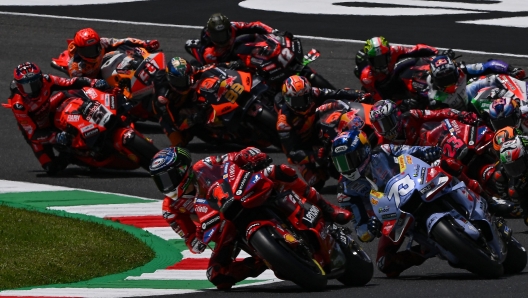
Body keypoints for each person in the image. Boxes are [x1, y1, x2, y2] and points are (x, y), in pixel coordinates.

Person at [149, 146, 351, 289]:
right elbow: (190, 240)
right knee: (217, 275)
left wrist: (249, 154)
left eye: (168, 178)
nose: (166, 186)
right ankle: (264, 260)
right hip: (222, 226)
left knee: (278, 171)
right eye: (160, 181)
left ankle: (327, 207)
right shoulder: (171, 209)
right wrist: (199, 240)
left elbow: (233, 158)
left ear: (183, 169)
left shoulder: (204, 165)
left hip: (240, 194)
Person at [330, 129, 441, 277]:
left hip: (417, 187)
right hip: (392, 218)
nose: (346, 167)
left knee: (448, 163)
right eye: (340, 163)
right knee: (385, 263)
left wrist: (429, 152)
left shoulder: (383, 151)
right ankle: (423, 250)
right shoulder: (345, 190)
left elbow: (411, 150)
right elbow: (361, 231)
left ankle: (475, 191)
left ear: (363, 151)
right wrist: (371, 228)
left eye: (349, 159)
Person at [4, 62, 111, 175]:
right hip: (38, 130)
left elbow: (71, 82)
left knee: (70, 92)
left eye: (36, 83)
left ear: (40, 78)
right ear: (20, 86)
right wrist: (55, 137)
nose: (34, 90)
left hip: (49, 109)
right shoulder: (18, 104)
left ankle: (96, 110)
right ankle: (73, 156)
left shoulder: (46, 80)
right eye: (27, 87)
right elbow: (32, 134)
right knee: (52, 168)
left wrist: (94, 82)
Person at [276, 74, 371, 189]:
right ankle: (332, 169)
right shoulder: (284, 122)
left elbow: (337, 93)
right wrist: (314, 156)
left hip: (322, 127)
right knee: (315, 182)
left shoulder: (313, 93)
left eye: (305, 98)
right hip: (307, 147)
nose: (303, 104)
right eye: (297, 101)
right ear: (288, 101)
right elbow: (292, 154)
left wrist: (358, 94)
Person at [427, 55, 525, 111]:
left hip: (470, 99)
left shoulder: (462, 70)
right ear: (434, 79)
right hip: (460, 120)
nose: (449, 82)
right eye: (443, 79)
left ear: (456, 70)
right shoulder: (432, 95)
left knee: (496, 78)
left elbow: (489, 65)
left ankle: (522, 96)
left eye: (450, 76)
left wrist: (511, 69)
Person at [358, 36, 439, 102]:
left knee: (413, 62)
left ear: (388, 55)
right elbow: (379, 99)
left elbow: (415, 50)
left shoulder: (395, 51)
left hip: (394, 77)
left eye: (382, 59)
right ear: (369, 61)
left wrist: (436, 53)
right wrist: (400, 102)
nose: (380, 63)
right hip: (384, 91)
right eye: (376, 60)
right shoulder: (367, 77)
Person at [368, 99, 478, 146]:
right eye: (380, 126)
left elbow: (438, 113)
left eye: (387, 123)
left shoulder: (411, 116)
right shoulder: (382, 143)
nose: (385, 129)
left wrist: (459, 114)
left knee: (447, 127)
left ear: (396, 116)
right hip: (415, 171)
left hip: (433, 147)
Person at [67, 27, 160, 78]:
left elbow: (123, 41)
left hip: (105, 65)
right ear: (79, 50)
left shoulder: (103, 43)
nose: (92, 53)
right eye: (88, 51)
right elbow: (80, 86)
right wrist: (96, 83)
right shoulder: (75, 67)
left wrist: (144, 43)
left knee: (123, 48)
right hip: (96, 82)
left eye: (94, 48)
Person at [185, 13, 275, 65]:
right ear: (211, 35)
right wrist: (231, 64)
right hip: (218, 57)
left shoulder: (233, 26)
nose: (221, 39)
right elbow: (216, 66)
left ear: (228, 30)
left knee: (255, 37)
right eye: (217, 36)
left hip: (231, 47)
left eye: (223, 34)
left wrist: (273, 32)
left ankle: (269, 52)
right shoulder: (207, 44)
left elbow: (255, 25)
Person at [478, 134, 528, 223]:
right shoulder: (504, 168)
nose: (515, 170)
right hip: (520, 179)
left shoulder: (524, 146)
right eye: (511, 167)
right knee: (512, 189)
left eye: (518, 165)